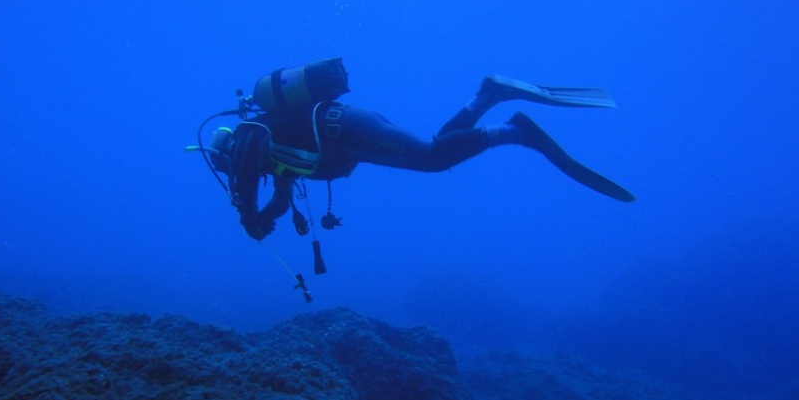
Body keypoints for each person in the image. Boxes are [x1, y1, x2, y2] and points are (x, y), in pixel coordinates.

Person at [203, 62, 634, 241]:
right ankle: (486, 97)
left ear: (226, 153)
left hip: (346, 129)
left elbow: (244, 177)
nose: (232, 169)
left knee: (431, 159)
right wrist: (264, 219)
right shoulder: (276, 158)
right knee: (433, 151)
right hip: (349, 133)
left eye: (226, 164)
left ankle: (516, 131)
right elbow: (280, 200)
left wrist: (246, 216)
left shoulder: (249, 137)